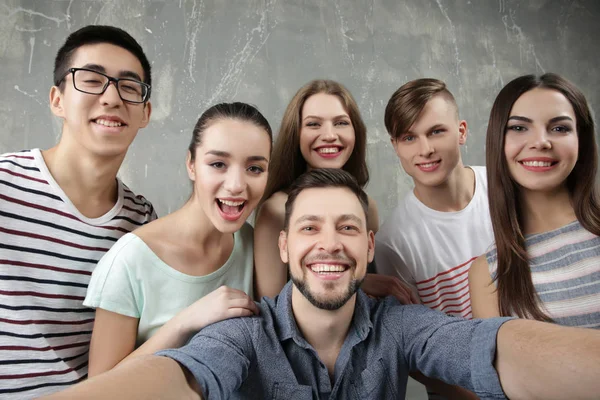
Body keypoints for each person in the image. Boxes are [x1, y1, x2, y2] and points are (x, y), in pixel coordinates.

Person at [46, 169, 600, 400]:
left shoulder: (402, 327)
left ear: (367, 247)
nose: (329, 244)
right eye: (309, 228)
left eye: (347, 228)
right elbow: (176, 379)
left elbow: (492, 348)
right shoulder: (243, 335)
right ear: (285, 248)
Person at [0, 25, 156, 398]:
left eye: (129, 87)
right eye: (91, 80)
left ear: (145, 113)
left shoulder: (142, 221)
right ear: (57, 100)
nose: (111, 97)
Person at [83, 102, 272, 376]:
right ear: (191, 165)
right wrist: (184, 323)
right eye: (218, 164)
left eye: (255, 168)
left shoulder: (255, 247)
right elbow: (99, 390)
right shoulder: (129, 261)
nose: (236, 185)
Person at [375, 78, 493, 398]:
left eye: (436, 131)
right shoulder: (393, 242)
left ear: (462, 131)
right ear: (395, 146)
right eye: (409, 137)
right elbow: (412, 350)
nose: (424, 149)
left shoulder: (503, 190)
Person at [254, 79, 415, 304]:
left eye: (340, 123)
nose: (329, 135)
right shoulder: (275, 210)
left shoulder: (367, 206)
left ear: (355, 131)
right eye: (313, 124)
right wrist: (364, 282)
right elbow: (271, 306)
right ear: (296, 134)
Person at [469, 73, 600, 327]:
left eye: (559, 128)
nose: (541, 142)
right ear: (498, 140)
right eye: (519, 128)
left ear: (581, 141)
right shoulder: (487, 275)